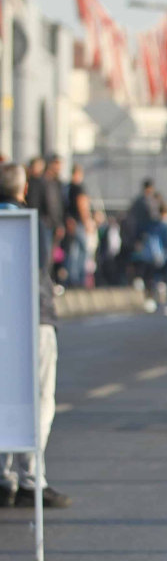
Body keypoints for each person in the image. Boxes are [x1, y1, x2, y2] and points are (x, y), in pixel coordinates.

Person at [0, 162, 71, 510]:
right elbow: (39, 264)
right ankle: (32, 479)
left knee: (5, 398)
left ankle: (6, 478)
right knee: (40, 401)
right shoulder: (31, 224)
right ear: (23, 189)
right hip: (35, 319)